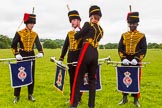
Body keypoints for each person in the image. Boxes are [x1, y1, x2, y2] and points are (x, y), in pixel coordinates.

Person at [70, 5, 104, 108]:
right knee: (92, 80)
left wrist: (81, 29)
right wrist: (84, 32)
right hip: (95, 53)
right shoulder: (101, 30)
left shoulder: (87, 24)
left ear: (91, 16)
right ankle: (91, 105)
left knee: (78, 78)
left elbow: (76, 36)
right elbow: (91, 35)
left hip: (86, 51)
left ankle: (74, 104)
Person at [11, 13, 44, 103]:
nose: (32, 25)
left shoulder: (35, 34)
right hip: (21, 55)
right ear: (26, 23)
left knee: (31, 75)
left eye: (33, 23)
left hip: (31, 55)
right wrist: (16, 54)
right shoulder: (19, 33)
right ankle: (16, 96)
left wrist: (41, 52)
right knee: (19, 75)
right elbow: (13, 45)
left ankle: (30, 95)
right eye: (31, 23)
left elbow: (38, 45)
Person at [118, 12, 147, 107]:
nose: (132, 25)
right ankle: (124, 98)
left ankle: (136, 100)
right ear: (128, 24)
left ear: (137, 24)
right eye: (130, 23)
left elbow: (144, 49)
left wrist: (137, 59)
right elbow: (120, 48)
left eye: (134, 23)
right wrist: (123, 58)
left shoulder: (141, 36)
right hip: (126, 61)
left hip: (136, 61)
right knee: (124, 79)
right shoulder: (124, 35)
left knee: (136, 80)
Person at [58, 10, 83, 102]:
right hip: (70, 58)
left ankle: (79, 98)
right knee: (72, 79)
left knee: (79, 80)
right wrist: (61, 58)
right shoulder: (69, 33)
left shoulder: (83, 32)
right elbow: (65, 46)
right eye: (71, 20)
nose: (72, 22)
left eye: (74, 20)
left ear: (79, 21)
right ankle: (72, 97)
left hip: (79, 58)